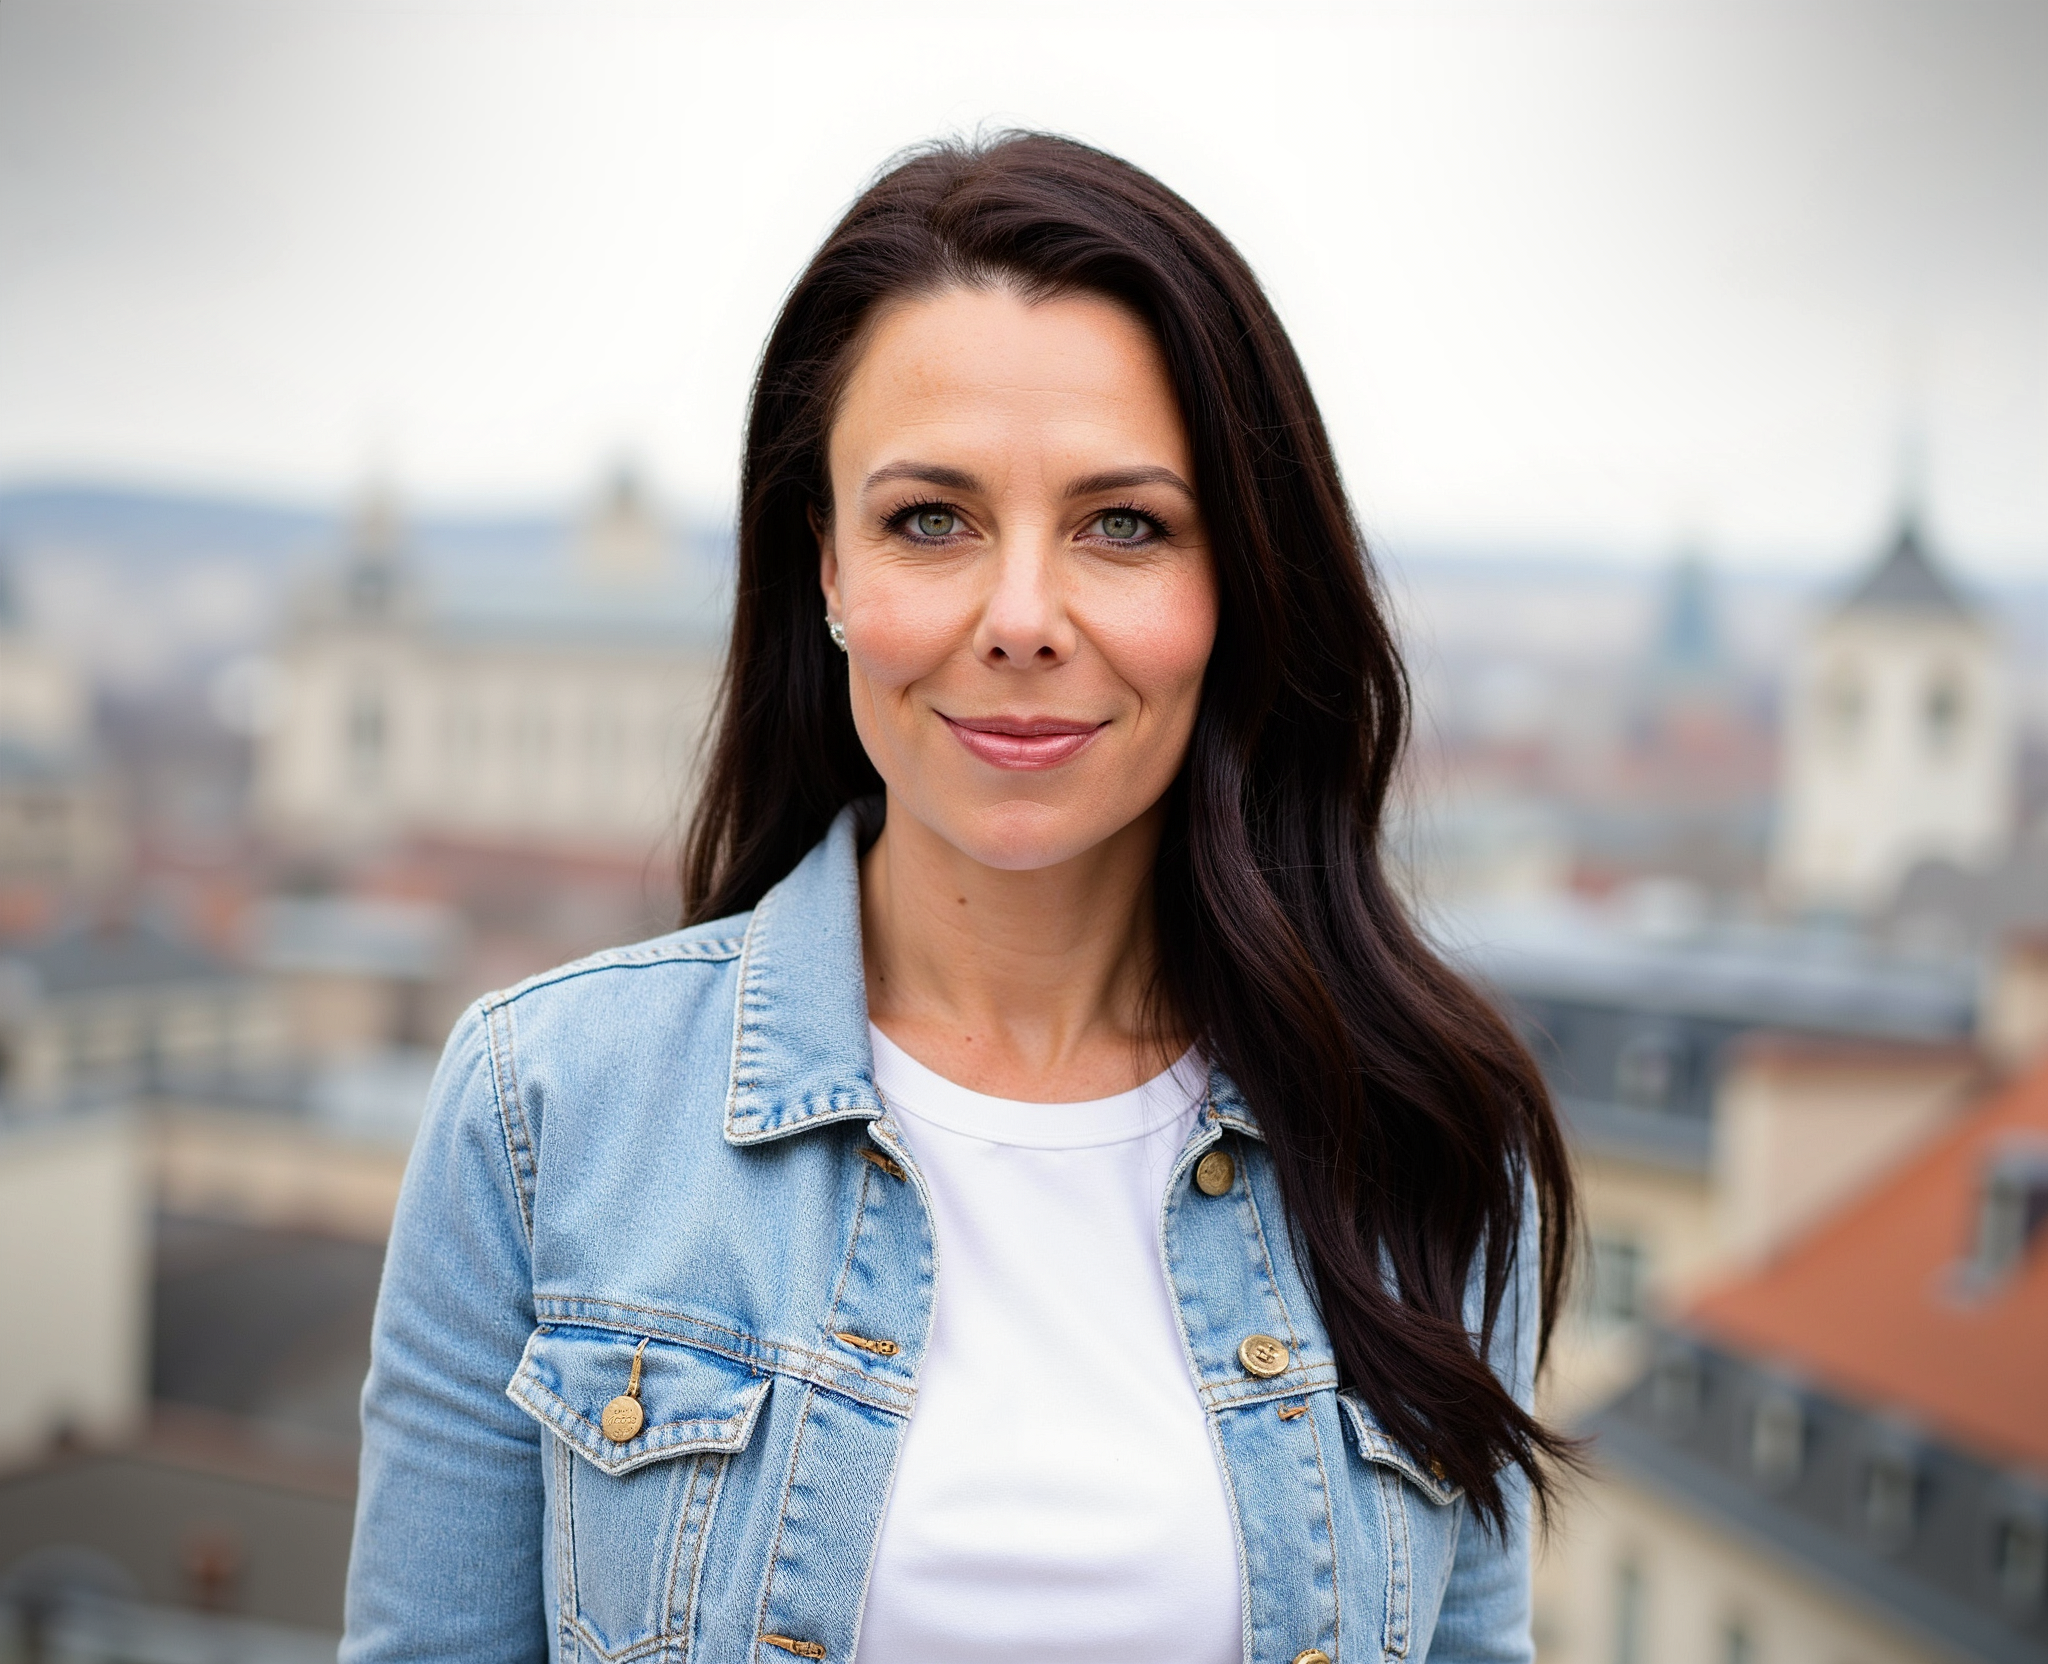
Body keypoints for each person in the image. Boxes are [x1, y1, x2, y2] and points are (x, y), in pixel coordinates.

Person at [341, 131, 1577, 1664]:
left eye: (1125, 524)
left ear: (1240, 584)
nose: (1022, 618)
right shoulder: (544, 1116)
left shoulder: (1429, 1144)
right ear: (827, 570)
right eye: (932, 518)